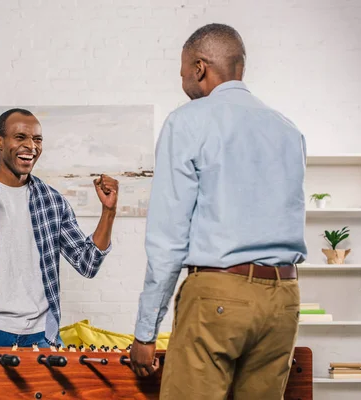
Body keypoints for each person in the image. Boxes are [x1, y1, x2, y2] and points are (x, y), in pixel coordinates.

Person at [129, 23, 307, 399]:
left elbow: (168, 238)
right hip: (284, 298)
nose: (182, 82)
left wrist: (146, 331)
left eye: (182, 72)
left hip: (218, 296)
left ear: (199, 67)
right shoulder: (287, 129)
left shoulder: (188, 120)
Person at [0, 108, 119, 349]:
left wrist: (108, 212)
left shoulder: (52, 201)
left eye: (37, 139)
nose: (31, 146)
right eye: (20, 137)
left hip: (42, 337)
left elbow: (87, 263)